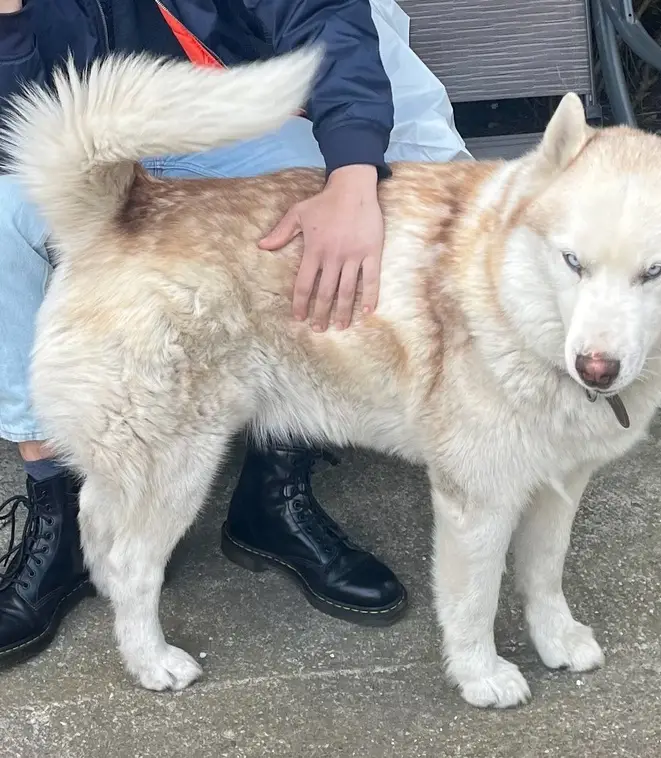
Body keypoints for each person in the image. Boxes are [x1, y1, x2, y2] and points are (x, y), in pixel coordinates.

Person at [0, 0, 457, 666]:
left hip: (228, 124)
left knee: (325, 192)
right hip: (84, 157)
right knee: (0, 224)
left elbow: (324, 15)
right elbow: (15, 127)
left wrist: (354, 177)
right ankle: (58, 513)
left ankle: (274, 496)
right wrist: (9, 26)